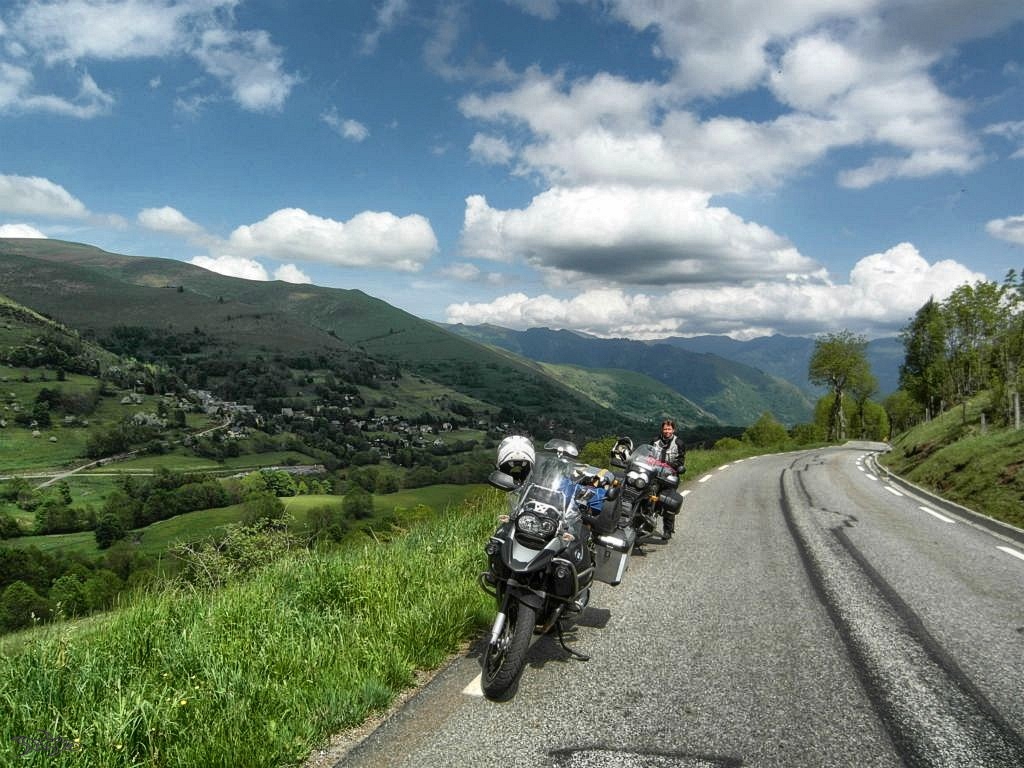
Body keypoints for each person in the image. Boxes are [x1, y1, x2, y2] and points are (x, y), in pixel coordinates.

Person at [653, 419, 685, 539]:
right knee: (646, 497)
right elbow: (648, 454)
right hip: (654, 474)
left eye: (669, 429)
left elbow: (680, 461)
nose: (667, 431)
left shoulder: (679, 443)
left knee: (667, 502)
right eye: (665, 429)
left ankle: (668, 530)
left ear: (673, 430)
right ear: (662, 429)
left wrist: (670, 466)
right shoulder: (655, 441)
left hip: (669, 477)